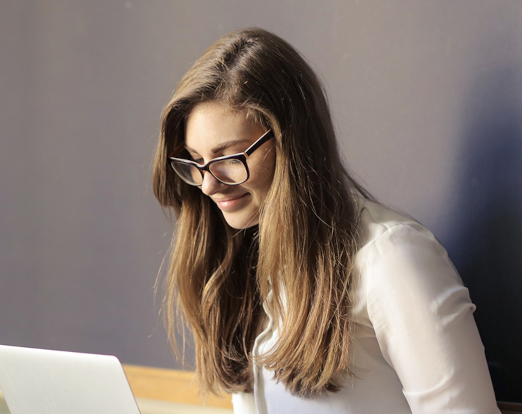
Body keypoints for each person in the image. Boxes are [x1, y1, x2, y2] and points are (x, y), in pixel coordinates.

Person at [151, 27, 499, 414]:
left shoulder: (391, 258)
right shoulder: (244, 258)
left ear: (291, 142)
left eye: (230, 157)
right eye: (195, 162)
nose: (208, 184)